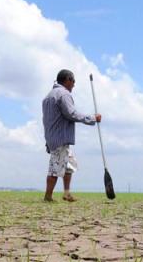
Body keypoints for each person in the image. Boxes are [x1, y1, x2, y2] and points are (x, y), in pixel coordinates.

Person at [42, 69, 101, 202]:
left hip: (53, 136)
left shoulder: (48, 96)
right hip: (60, 138)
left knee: (69, 165)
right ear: (67, 80)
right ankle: (48, 196)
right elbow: (71, 113)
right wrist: (92, 118)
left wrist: (47, 139)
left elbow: (45, 120)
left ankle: (66, 193)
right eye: (73, 81)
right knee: (55, 167)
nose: (74, 84)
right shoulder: (63, 94)